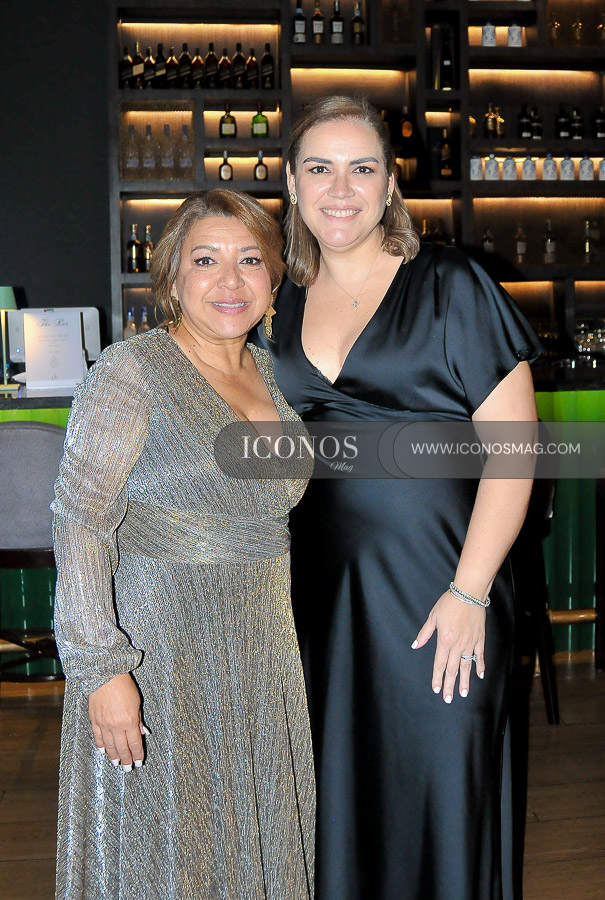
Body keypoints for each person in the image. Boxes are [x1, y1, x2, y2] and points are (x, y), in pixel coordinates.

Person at [256, 96, 541, 900]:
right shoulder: (276, 297)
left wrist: (469, 591)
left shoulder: (450, 282)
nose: (339, 188)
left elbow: (515, 451)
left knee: (442, 788)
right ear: (291, 182)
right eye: (319, 168)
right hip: (319, 599)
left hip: (441, 584)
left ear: (389, 185)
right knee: (340, 796)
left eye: (361, 168)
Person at [52, 190, 315, 899]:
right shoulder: (131, 372)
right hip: (159, 655)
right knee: (165, 853)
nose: (230, 280)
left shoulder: (269, 371)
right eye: (206, 260)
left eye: (250, 260)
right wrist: (101, 668)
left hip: (261, 653)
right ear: (172, 276)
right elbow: (80, 522)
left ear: (273, 279)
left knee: (252, 841)